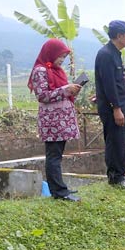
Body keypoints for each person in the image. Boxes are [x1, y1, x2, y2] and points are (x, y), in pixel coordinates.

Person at [28, 38, 82, 202]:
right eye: (60, 57)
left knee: (57, 156)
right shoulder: (40, 71)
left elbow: (60, 92)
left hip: (61, 121)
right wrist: (66, 90)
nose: (61, 60)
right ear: (51, 53)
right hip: (52, 123)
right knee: (53, 156)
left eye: (64, 58)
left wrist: (71, 90)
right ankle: (59, 192)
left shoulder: (57, 71)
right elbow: (42, 95)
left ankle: (60, 189)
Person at [95, 20, 125, 188]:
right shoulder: (105, 54)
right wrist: (116, 108)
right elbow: (109, 84)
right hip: (114, 108)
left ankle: (121, 174)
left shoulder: (115, 53)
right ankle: (114, 178)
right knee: (115, 141)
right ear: (119, 35)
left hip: (121, 105)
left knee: (122, 140)